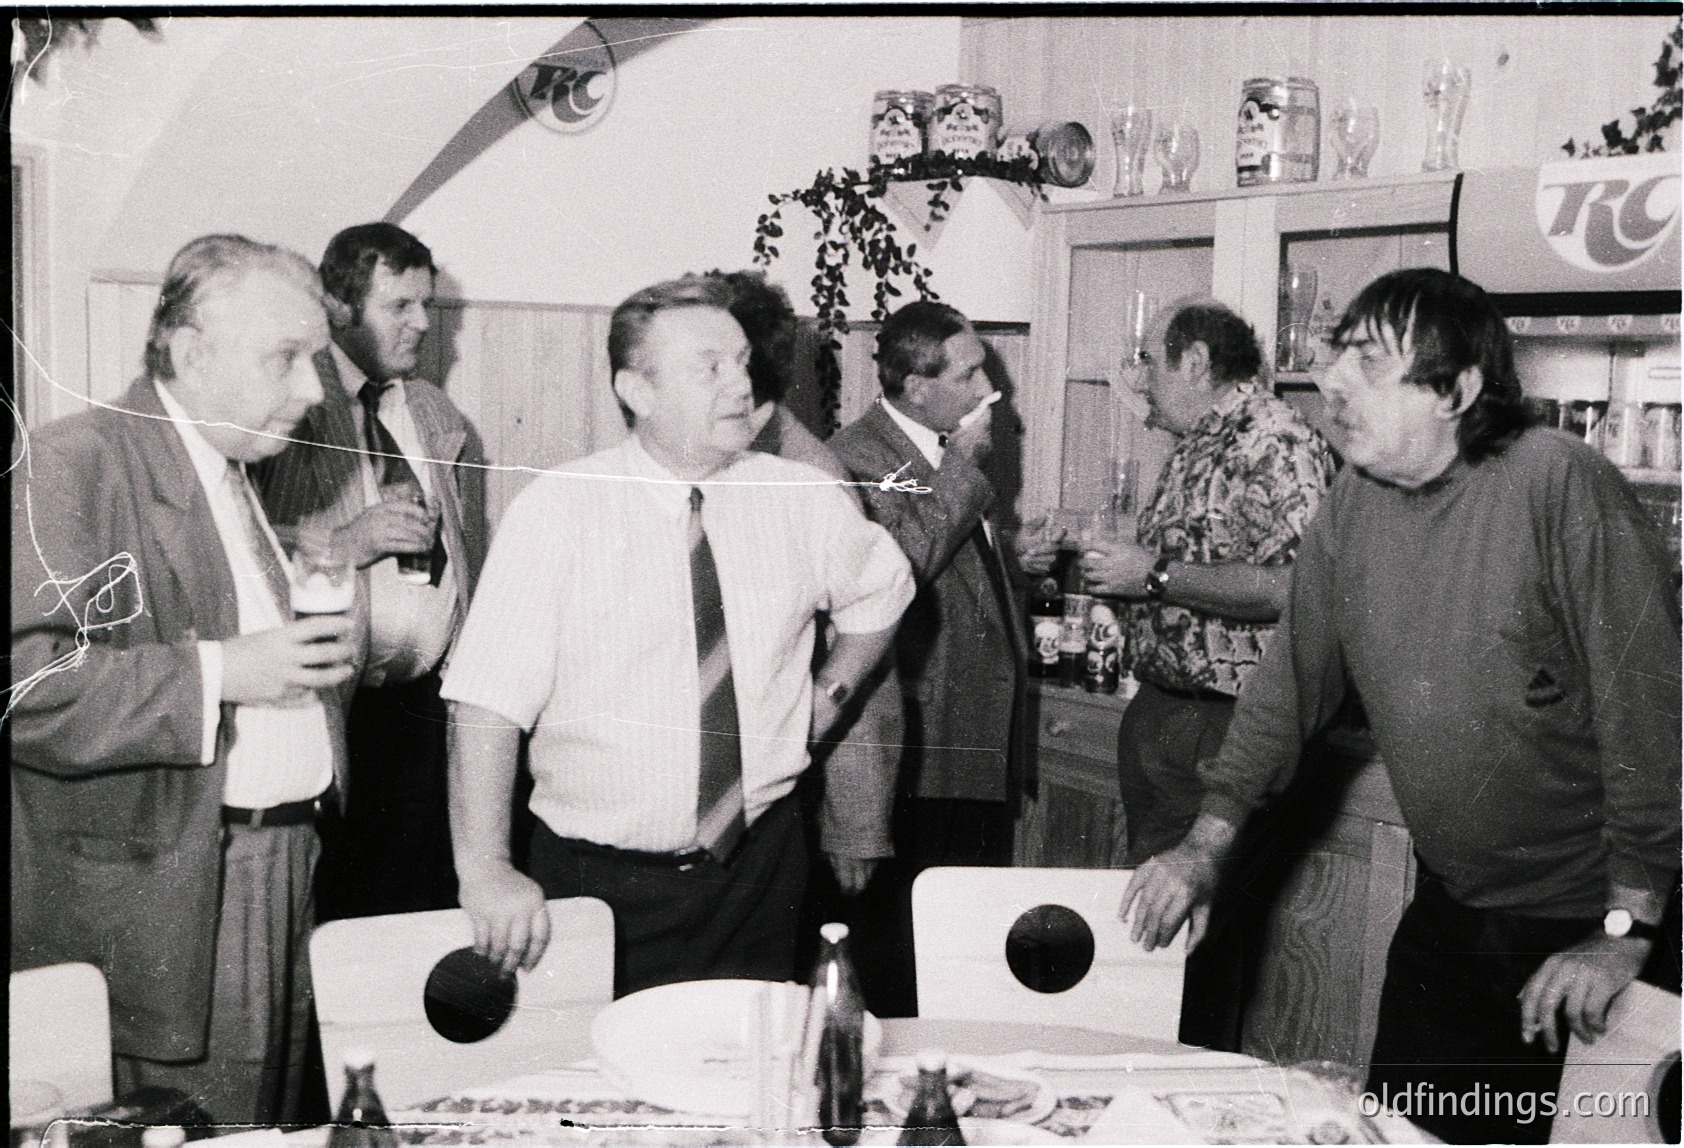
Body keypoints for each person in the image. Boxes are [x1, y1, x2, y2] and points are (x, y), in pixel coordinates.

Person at [1122, 269, 1681, 1143]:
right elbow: (1284, 693)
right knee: (1400, 1136)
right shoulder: (1353, 502)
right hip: (1458, 911)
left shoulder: (1558, 482)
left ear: (1457, 390)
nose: (1333, 381)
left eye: (1371, 364)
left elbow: (1651, 722)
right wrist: (1203, 849)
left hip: (1598, 924)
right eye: (1338, 355)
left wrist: (1623, 933)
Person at [439, 275, 914, 995]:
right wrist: (485, 868)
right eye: (709, 367)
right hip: (597, 885)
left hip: (758, 873)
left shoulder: (800, 496)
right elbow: (485, 704)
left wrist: (827, 700)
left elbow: (883, 588)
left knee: (748, 1060)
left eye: (742, 361)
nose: (740, 384)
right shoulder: (559, 511)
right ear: (637, 390)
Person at [10, 235, 357, 1123]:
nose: (315, 390)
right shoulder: (73, 460)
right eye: (287, 358)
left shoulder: (227, 469)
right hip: (184, 889)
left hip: (281, 867)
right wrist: (225, 671)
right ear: (193, 354)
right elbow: (28, 689)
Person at [1078, 298, 1335, 1049]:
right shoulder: (1199, 442)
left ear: (1195, 362)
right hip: (1164, 715)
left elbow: (1297, 588)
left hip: (1227, 727)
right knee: (1153, 942)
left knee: (1195, 946)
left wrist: (1154, 575)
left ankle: (1187, 1091)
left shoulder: (1278, 440)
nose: (1141, 379)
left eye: (1152, 362)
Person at [257, 222, 488, 919]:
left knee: (421, 912)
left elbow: (468, 551)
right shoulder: (288, 406)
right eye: (400, 307)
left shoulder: (434, 411)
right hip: (333, 711)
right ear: (339, 307)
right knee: (340, 914)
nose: (423, 324)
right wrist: (344, 543)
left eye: (427, 305)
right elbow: (239, 550)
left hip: (426, 709)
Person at [827, 300, 1026, 1016]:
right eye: (968, 375)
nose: (988, 390)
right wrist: (964, 471)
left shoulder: (939, 449)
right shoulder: (856, 459)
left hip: (970, 741)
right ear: (915, 386)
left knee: (962, 959)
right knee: (907, 965)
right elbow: (896, 574)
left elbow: (951, 566)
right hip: (915, 753)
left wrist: (1015, 559)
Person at [708, 269, 904, 899]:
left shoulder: (809, 478)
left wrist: (856, 821)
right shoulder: (689, 462)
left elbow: (864, 649)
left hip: (783, 795)